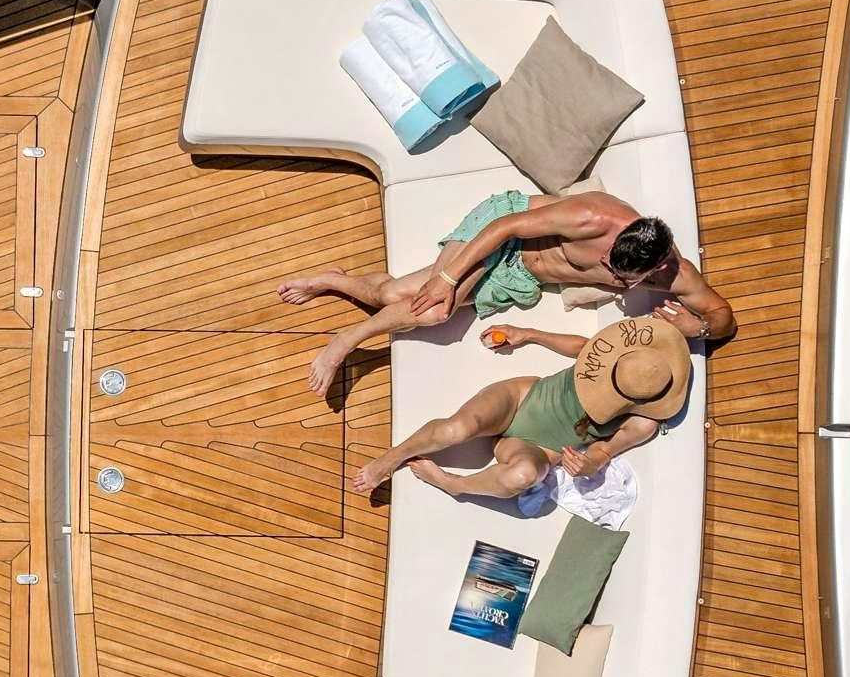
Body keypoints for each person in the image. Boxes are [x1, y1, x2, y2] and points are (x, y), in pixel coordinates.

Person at [281, 187, 736, 396]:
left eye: (618, 276)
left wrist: (694, 327)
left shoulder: (672, 273)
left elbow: (723, 318)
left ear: (653, 269)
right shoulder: (592, 218)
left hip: (520, 276)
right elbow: (507, 226)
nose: (603, 269)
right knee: (435, 307)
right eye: (607, 261)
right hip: (503, 235)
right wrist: (448, 277)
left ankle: (334, 278)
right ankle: (345, 343)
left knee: (394, 295)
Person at [347, 317, 692, 500]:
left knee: (525, 476)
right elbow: (581, 348)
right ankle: (391, 458)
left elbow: (604, 450)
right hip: (523, 397)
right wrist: (525, 333)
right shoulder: (623, 357)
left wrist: (587, 465)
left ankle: (454, 486)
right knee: (457, 430)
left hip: (542, 447)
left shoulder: (644, 421)